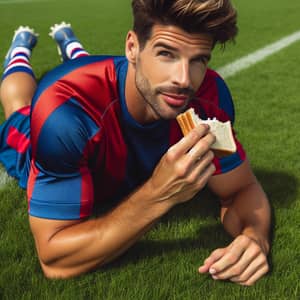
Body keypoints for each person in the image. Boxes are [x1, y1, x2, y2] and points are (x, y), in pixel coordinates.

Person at [0, 0, 271, 285]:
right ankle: (20, 48)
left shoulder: (210, 97)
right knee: (19, 106)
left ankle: (69, 43)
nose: (183, 80)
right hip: (32, 135)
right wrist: (159, 193)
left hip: (108, 88)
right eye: (166, 54)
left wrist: (255, 237)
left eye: (198, 59)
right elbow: (56, 261)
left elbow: (241, 188)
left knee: (86, 64)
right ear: (132, 46)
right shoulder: (65, 116)